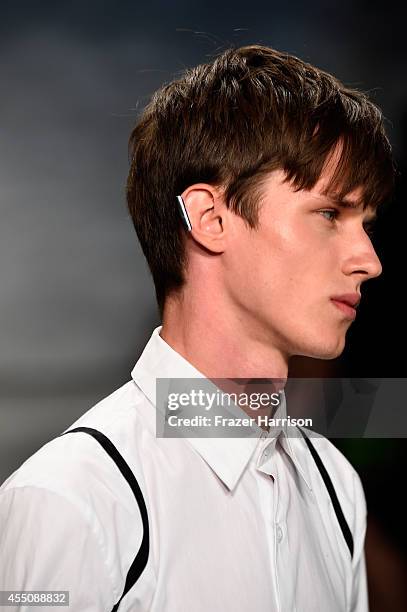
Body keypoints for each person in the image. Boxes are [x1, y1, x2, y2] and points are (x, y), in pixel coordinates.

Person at [0, 44, 395, 611]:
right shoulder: (70, 501)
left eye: (367, 223)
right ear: (210, 219)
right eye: (331, 214)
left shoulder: (335, 489)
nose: (369, 259)